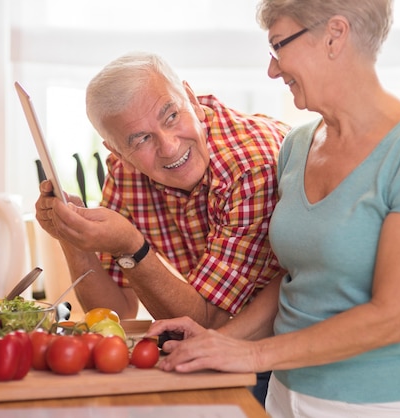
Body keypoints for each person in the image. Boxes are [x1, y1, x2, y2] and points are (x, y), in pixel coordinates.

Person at [146, 1, 400, 417]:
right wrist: (222, 340)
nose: (272, 70)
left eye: (279, 45)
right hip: (286, 395)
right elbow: (298, 280)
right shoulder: (297, 145)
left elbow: (392, 319)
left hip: (380, 406)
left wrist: (255, 356)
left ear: (334, 35)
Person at [35, 51, 289, 403]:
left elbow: (210, 322)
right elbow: (115, 309)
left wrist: (131, 247)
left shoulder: (250, 168)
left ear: (192, 99)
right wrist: (73, 237)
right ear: (118, 151)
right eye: (140, 140)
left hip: (281, 352)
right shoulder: (126, 173)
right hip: (226, 343)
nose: (169, 147)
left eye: (171, 115)